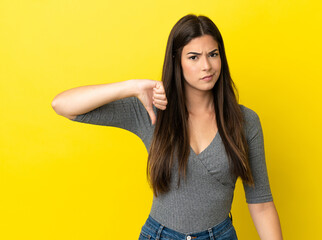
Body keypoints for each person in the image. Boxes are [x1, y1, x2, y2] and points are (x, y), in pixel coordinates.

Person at [52, 14, 282, 240]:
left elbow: (261, 204)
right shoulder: (151, 110)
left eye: (213, 54)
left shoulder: (245, 121)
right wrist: (131, 86)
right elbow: (63, 105)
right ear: (177, 61)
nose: (207, 66)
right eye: (193, 57)